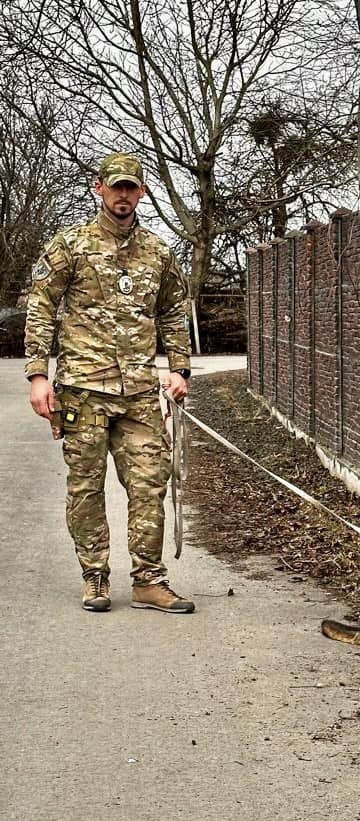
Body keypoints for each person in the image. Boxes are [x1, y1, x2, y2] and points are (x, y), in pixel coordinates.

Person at [24, 151, 195, 614]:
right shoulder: (71, 245)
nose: (123, 195)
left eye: (131, 187)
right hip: (83, 390)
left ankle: (148, 581)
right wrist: (39, 375)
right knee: (85, 487)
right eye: (115, 186)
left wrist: (179, 370)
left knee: (148, 485)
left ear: (141, 192)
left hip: (140, 392)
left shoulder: (159, 252)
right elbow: (41, 306)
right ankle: (95, 577)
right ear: (99, 188)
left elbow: (173, 313)